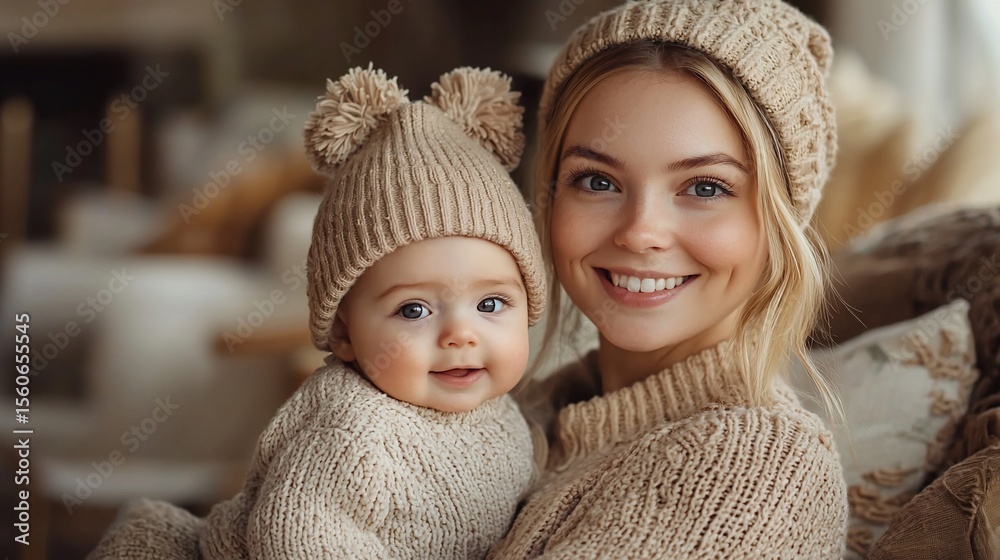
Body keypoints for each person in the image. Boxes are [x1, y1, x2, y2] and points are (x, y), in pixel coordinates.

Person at [87, 65, 547, 560]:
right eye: (413, 309)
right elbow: (293, 540)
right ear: (345, 333)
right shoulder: (352, 431)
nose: (461, 333)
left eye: (491, 304)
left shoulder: (507, 419)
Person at [487, 1, 849, 558]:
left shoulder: (760, 468)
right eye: (597, 181)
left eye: (705, 187)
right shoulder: (527, 411)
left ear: (780, 224)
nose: (640, 233)